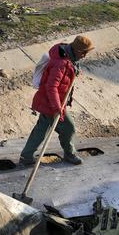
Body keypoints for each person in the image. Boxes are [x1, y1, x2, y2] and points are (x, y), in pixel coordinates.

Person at [19, 35, 94, 167]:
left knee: (44, 130)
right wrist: (56, 107)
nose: (85, 56)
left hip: (55, 102)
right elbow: (51, 86)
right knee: (65, 128)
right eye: (84, 53)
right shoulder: (60, 64)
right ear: (77, 50)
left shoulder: (69, 58)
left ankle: (26, 157)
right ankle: (68, 154)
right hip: (51, 103)